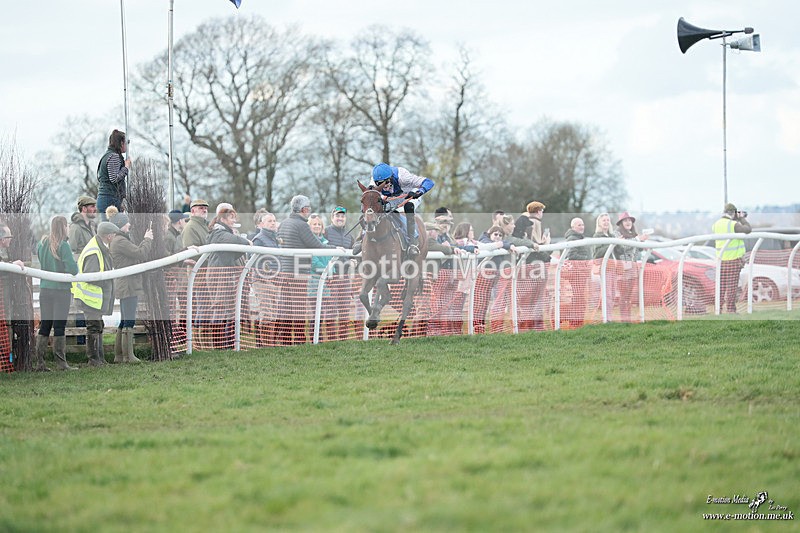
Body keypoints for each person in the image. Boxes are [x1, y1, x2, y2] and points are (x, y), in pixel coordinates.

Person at [277, 195, 339, 345]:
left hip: (285, 272)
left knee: (286, 309)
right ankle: (299, 341)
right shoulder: (301, 225)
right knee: (298, 310)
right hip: (299, 273)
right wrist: (336, 248)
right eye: (309, 208)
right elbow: (316, 245)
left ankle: (283, 341)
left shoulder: (284, 223)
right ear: (304, 209)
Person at [107, 206, 153, 363]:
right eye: (127, 223)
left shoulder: (118, 240)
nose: (129, 225)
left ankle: (119, 356)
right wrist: (148, 239)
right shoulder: (120, 241)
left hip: (125, 284)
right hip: (128, 284)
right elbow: (140, 253)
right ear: (120, 225)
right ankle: (128, 356)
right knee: (129, 320)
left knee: (124, 319)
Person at [35, 216, 80, 371]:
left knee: (45, 325)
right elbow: (73, 270)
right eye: (67, 225)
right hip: (61, 291)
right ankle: (61, 363)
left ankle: (40, 362)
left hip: (45, 289)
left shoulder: (42, 243)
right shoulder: (64, 245)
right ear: (63, 227)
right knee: (59, 326)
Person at [72, 221, 118, 366]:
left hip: (93, 298)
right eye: (114, 234)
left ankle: (100, 359)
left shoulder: (98, 247)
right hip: (90, 298)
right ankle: (94, 360)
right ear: (109, 236)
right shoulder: (94, 251)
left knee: (98, 326)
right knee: (93, 327)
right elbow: (91, 276)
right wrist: (107, 280)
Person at [205, 208, 252, 350]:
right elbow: (235, 241)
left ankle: (229, 344)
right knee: (219, 308)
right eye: (231, 218)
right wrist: (247, 242)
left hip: (224, 274)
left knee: (230, 309)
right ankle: (219, 346)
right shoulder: (218, 232)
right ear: (223, 219)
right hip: (218, 275)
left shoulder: (224, 232)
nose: (234, 220)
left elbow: (233, 253)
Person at [369, 162, 435, 257]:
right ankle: (362, 238)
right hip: (391, 198)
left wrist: (419, 191)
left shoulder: (403, 177)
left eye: (387, 182)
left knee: (408, 206)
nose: (385, 186)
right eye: (380, 184)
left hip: (410, 195)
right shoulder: (373, 182)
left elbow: (429, 182)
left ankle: (412, 243)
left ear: (391, 177)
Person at [712, 203, 752, 313]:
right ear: (733, 213)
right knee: (732, 286)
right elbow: (748, 229)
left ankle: (718, 309)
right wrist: (742, 219)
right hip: (733, 260)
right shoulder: (733, 224)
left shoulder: (716, 224)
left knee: (721, 286)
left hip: (721, 260)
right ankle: (731, 310)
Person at [614, 211, 649, 322]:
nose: (628, 222)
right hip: (622, 268)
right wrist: (639, 240)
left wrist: (642, 242)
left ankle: (627, 317)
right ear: (621, 223)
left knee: (629, 294)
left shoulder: (633, 234)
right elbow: (624, 246)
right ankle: (624, 318)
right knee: (624, 294)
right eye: (625, 220)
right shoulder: (617, 233)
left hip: (632, 267)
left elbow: (637, 250)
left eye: (629, 220)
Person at [562, 217, 592, 328]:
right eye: (579, 225)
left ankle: (577, 320)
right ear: (573, 227)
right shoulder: (572, 238)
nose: (582, 227)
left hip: (582, 272)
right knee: (578, 297)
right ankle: (575, 321)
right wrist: (586, 259)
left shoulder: (580, 238)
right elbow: (571, 255)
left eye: (582, 224)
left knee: (579, 297)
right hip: (576, 273)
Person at [96, 129, 130, 218]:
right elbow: (114, 178)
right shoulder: (114, 156)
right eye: (126, 142)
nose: (127, 145)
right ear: (121, 143)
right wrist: (126, 167)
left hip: (108, 198)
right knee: (111, 230)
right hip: (109, 199)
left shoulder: (108, 155)